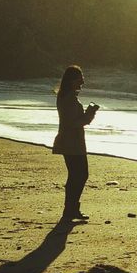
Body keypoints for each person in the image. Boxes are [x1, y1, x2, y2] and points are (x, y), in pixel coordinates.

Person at [51, 65, 98, 223]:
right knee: (80, 175)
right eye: (80, 78)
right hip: (72, 142)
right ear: (72, 80)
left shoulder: (65, 96)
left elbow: (73, 121)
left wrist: (87, 114)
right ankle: (71, 209)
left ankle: (71, 209)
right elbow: (75, 122)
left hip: (69, 141)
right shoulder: (68, 98)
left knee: (76, 175)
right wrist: (90, 113)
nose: (83, 82)